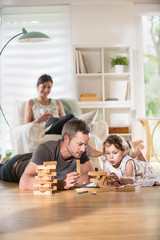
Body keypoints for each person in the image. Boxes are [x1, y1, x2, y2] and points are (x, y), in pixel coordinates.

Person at [0, 118, 94, 190]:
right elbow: (24, 183)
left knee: (38, 156)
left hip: (34, 157)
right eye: (80, 144)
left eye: (85, 144)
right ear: (66, 139)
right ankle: (5, 162)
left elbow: (90, 175)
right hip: (16, 166)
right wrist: (60, 184)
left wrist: (73, 181)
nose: (83, 148)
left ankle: (5, 160)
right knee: (2, 167)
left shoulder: (79, 150)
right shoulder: (46, 149)